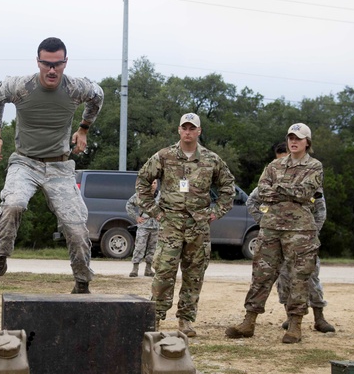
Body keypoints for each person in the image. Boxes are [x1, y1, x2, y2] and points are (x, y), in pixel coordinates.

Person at [0, 37, 103, 297]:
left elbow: (98, 96)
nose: (52, 70)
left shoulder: (75, 89)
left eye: (57, 64)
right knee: (14, 204)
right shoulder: (21, 86)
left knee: (76, 228)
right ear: (38, 62)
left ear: (65, 63)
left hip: (60, 167)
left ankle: (82, 283)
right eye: (47, 64)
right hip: (25, 163)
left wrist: (84, 128)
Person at [136, 113, 235, 337]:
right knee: (163, 272)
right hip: (171, 223)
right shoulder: (164, 156)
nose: (188, 132)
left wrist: (216, 212)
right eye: (185, 128)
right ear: (179, 130)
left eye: (192, 128)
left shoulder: (211, 159)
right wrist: (155, 212)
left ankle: (186, 320)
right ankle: (156, 318)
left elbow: (228, 186)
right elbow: (142, 180)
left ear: (199, 131)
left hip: (198, 226)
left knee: (194, 274)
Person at [226, 123, 323, 344]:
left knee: (299, 277)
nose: (293, 141)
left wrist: (278, 188)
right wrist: (289, 192)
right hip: (271, 228)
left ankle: (295, 325)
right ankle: (249, 322)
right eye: (290, 138)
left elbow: (306, 192)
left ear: (307, 142)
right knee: (261, 275)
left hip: (300, 231)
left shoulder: (315, 166)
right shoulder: (274, 165)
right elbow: (262, 192)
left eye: (298, 138)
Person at [245, 141, 335, 333]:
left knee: (308, 277)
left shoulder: (311, 169)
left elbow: (318, 207)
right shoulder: (273, 169)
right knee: (276, 279)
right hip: (274, 233)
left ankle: (318, 317)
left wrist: (311, 231)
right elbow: (255, 198)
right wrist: (265, 221)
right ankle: (286, 317)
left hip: (302, 236)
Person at [125, 180, 159, 277]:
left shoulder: (160, 195)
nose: (153, 185)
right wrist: (136, 217)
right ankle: (135, 269)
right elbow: (129, 205)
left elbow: (167, 207)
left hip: (156, 226)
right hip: (144, 225)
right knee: (140, 247)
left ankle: (148, 269)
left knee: (153, 248)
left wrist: (162, 216)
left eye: (155, 183)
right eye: (151, 183)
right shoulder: (141, 195)